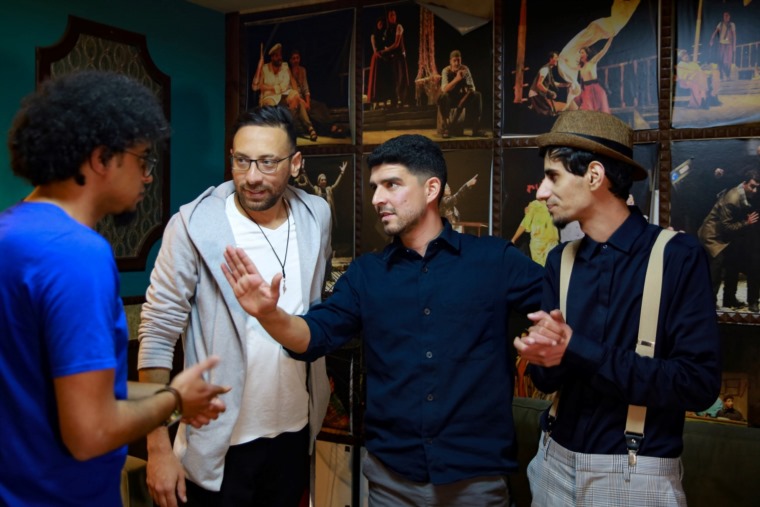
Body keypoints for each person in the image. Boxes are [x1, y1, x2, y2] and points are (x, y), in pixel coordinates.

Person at [222, 134, 544, 506]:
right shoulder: (367, 275)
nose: (377, 198)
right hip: (391, 483)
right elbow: (314, 335)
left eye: (391, 185)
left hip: (476, 481)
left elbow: (562, 306)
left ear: (431, 189)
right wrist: (270, 315)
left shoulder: (494, 260)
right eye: (375, 187)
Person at [0, 70, 229, 506]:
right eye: (143, 160)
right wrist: (174, 400)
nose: (148, 177)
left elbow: (58, 387)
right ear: (102, 159)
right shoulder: (76, 255)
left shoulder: (11, 232)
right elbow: (91, 431)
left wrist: (174, 397)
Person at [514, 110, 721, 506]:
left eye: (553, 176)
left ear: (594, 176)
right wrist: (543, 357)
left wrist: (577, 348)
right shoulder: (560, 260)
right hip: (551, 461)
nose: (541, 192)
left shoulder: (677, 256)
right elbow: (547, 381)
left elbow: (697, 384)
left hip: (634, 473)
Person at [138, 106, 332, 507]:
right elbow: (157, 332)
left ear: (296, 163)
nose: (252, 176)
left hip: (294, 432)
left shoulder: (316, 216)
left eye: (268, 162)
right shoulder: (192, 226)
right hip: (218, 444)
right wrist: (157, 447)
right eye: (242, 161)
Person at [697, 168, 760, 309]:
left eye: (757, 187)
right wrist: (746, 223)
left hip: (725, 236)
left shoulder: (744, 194)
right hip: (712, 235)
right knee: (717, 266)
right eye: (752, 186)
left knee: (733, 263)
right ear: (744, 183)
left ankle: (729, 299)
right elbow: (726, 227)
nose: (755, 190)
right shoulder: (732, 199)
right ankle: (708, 303)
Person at [252, 42, 318, 142]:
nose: (279, 58)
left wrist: (299, 98)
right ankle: (277, 135)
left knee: (296, 97)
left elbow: (291, 83)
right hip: (270, 98)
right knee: (270, 105)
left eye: (280, 55)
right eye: (277, 56)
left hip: (284, 95)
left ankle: (309, 128)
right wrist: (259, 67)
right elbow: (255, 87)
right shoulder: (265, 68)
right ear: (272, 57)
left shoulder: (285, 66)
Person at [288, 49, 348, 138]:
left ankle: (332, 124)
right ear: (290, 60)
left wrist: (308, 102)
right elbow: (290, 91)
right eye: (294, 58)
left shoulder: (302, 70)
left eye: (297, 58)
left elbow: (306, 88)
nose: (296, 60)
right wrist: (302, 102)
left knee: (321, 106)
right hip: (296, 100)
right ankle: (331, 128)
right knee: (313, 115)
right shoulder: (288, 72)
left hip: (304, 99)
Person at [438, 49, 485, 138]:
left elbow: (472, 88)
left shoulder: (465, 69)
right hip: (450, 98)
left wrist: (462, 101)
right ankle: (446, 128)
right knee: (443, 96)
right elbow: (444, 89)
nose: (456, 63)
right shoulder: (446, 71)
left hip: (463, 98)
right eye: (454, 61)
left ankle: (476, 129)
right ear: (450, 61)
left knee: (477, 95)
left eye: (458, 60)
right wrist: (457, 79)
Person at [296, 160, 347, 231]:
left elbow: (336, 184)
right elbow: (309, 184)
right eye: (322, 180)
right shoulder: (316, 189)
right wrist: (304, 171)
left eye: (325, 180)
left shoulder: (329, 189)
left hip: (328, 214)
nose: (324, 181)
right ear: (319, 182)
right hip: (319, 214)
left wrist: (341, 173)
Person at [510, 199, 559, 266]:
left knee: (552, 268)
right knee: (542, 269)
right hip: (539, 246)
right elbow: (524, 224)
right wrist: (513, 239)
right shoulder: (534, 206)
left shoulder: (554, 205)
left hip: (552, 243)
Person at [381, 8, 410, 108]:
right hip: (392, 57)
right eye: (391, 15)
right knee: (394, 79)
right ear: (388, 18)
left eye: (394, 15)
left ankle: (403, 100)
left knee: (401, 77)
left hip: (399, 56)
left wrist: (386, 50)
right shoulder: (388, 30)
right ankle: (394, 100)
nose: (393, 17)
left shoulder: (399, 26)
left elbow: (397, 44)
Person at [577, 38, 613, 113]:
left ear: (587, 54)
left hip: (596, 89)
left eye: (582, 52)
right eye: (580, 53)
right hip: (586, 91)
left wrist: (610, 39)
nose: (580, 54)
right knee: (587, 110)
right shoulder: (580, 67)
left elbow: (603, 51)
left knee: (602, 110)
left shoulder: (592, 62)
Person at [528, 51, 562, 116]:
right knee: (549, 113)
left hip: (539, 95)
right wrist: (549, 92)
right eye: (556, 57)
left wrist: (566, 85)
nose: (557, 59)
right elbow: (539, 84)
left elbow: (554, 83)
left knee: (551, 112)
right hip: (535, 94)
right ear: (551, 59)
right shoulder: (545, 69)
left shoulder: (549, 70)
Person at [709, 11, 736, 81]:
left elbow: (734, 35)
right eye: (724, 16)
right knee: (720, 59)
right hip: (721, 44)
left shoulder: (732, 24)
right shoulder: (720, 24)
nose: (726, 17)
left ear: (729, 17)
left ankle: (728, 75)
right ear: (723, 17)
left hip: (729, 44)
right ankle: (721, 76)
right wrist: (711, 39)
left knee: (728, 61)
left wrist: (734, 46)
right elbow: (715, 32)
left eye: (727, 16)